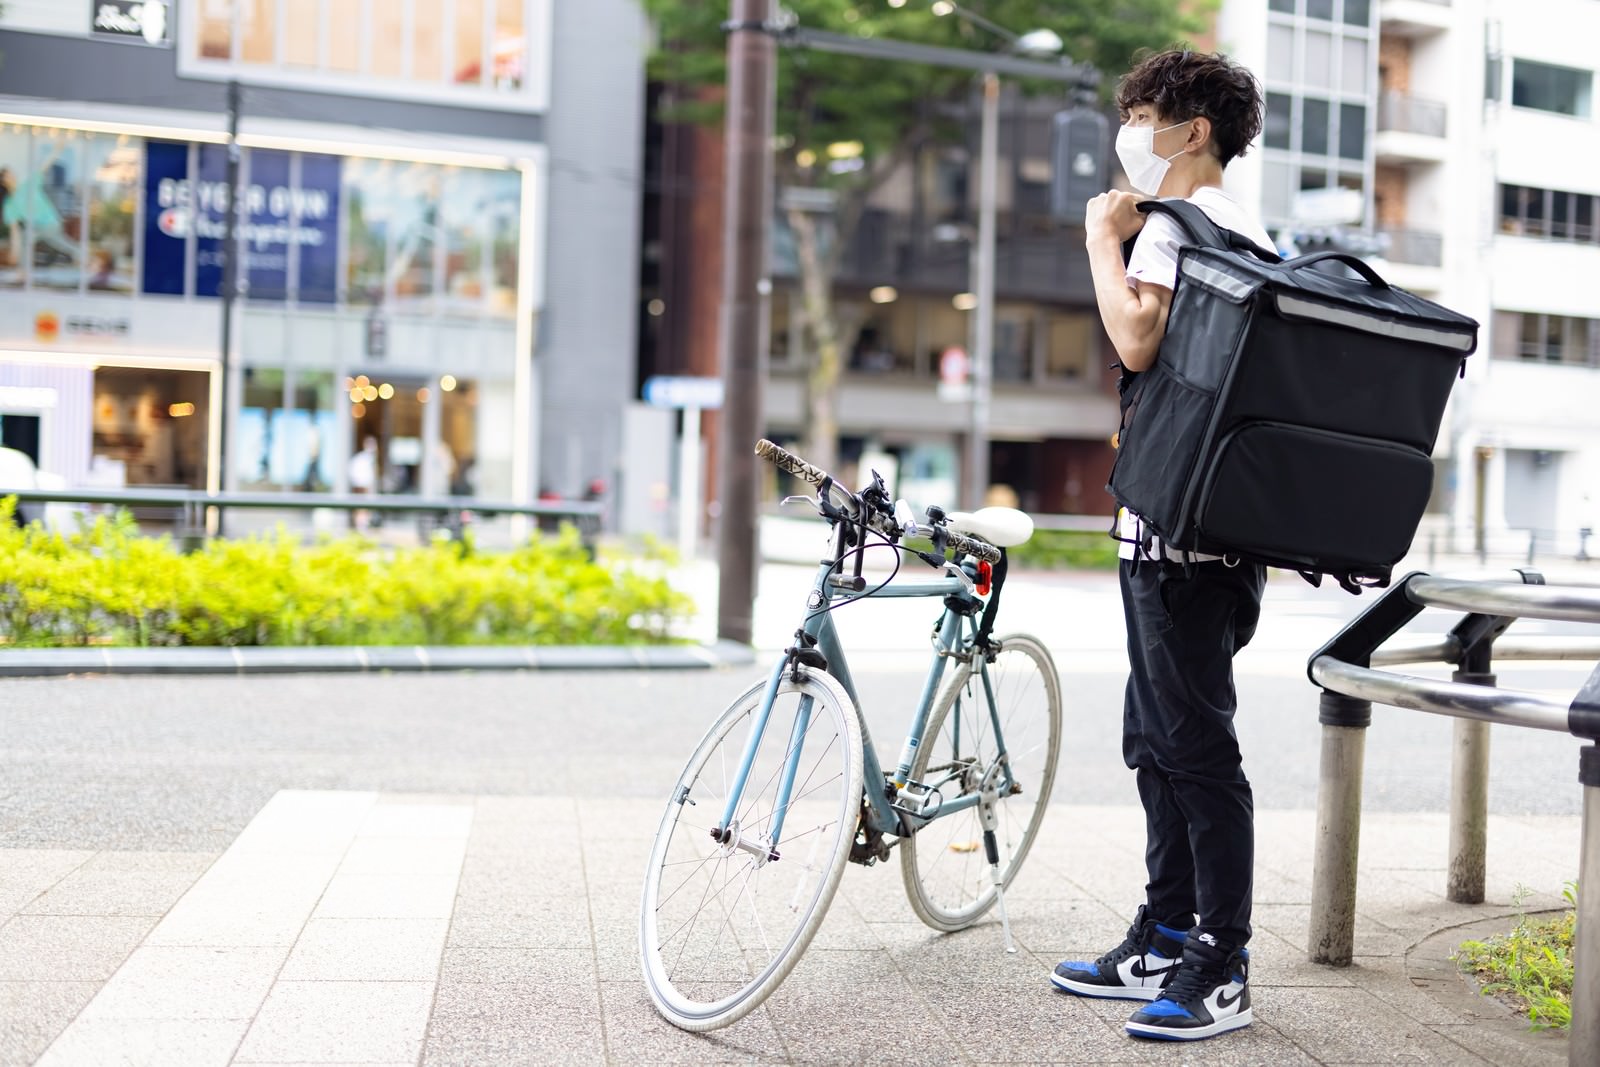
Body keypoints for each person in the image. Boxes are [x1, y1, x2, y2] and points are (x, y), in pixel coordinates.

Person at [1048, 49, 1273, 1043]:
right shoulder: (1250, 232)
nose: (1126, 135)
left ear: (1190, 130)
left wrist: (1102, 236)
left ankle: (1218, 961)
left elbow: (1136, 337)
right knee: (1160, 740)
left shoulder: (1176, 226)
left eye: (1140, 115)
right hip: (1206, 529)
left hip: (1177, 537)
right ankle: (1165, 926)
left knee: (1192, 749)